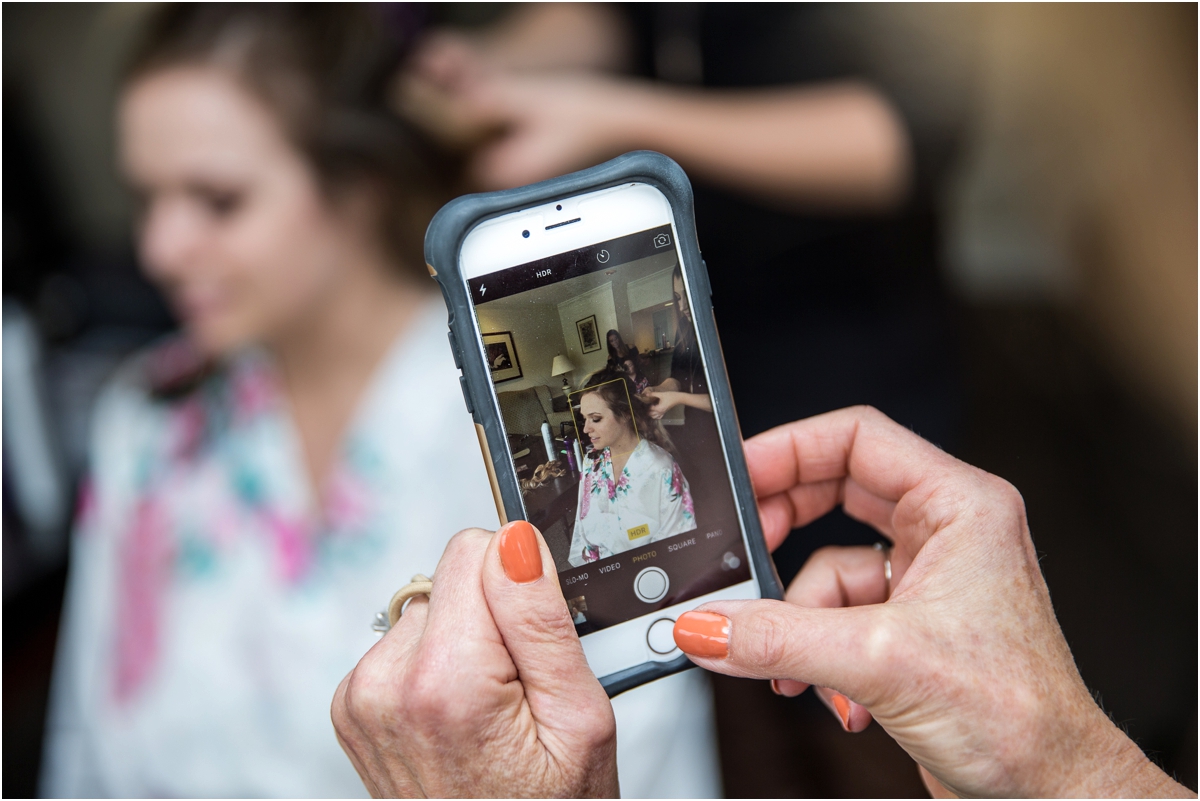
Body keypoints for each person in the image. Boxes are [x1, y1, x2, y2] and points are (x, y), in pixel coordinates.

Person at [41, 5, 718, 798]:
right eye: (147, 198)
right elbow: (81, 746)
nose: (159, 247)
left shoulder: (497, 420)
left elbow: (642, 749)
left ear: (357, 187)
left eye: (218, 200)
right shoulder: (147, 422)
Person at [332, 405, 1196, 798]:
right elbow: (591, 541)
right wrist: (1062, 771)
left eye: (595, 422)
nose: (586, 436)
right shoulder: (594, 477)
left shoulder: (662, 475)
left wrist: (1070, 768)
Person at [568, 373, 694, 566]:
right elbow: (582, 531)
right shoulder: (591, 462)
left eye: (595, 419)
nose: (585, 429)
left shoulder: (661, 469)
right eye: (584, 419)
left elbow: (678, 545)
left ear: (625, 414)